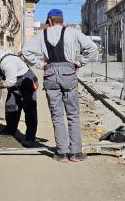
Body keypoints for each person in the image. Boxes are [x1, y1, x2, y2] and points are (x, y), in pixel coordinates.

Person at [22, 9, 97, 163]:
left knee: (57, 116)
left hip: (50, 74)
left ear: (49, 20)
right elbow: (92, 48)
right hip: (68, 73)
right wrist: (79, 63)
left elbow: (26, 51)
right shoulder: (73, 32)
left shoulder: (42, 34)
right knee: (73, 115)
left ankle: (62, 153)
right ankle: (75, 153)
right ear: (62, 20)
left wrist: (42, 65)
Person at [0, 47, 38, 147]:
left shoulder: (7, 62)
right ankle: (10, 131)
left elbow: (11, 82)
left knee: (29, 110)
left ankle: (30, 138)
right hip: (15, 82)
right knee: (11, 106)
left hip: (26, 82)